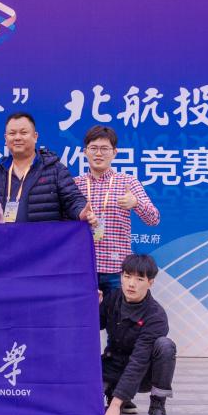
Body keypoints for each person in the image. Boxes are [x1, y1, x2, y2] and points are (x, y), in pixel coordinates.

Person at [76, 126, 160, 296]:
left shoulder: (127, 182)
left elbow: (154, 219)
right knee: (85, 314)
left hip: (117, 270)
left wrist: (136, 203)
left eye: (104, 149)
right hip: (83, 268)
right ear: (85, 152)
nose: (98, 154)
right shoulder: (75, 184)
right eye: (93, 148)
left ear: (114, 152)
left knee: (117, 314)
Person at [99, 254, 176, 415]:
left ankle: (157, 406)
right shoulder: (112, 299)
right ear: (121, 277)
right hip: (113, 365)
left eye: (139, 279)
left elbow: (139, 361)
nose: (131, 284)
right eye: (127, 276)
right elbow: (92, 326)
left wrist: (115, 405)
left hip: (144, 374)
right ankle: (114, 392)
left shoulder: (156, 316)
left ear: (150, 282)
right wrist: (90, 306)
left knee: (165, 346)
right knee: (82, 399)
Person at [0, 112, 95, 225]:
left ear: (35, 137)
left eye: (23, 133)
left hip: (46, 236)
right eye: (12, 133)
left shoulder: (55, 169)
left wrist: (81, 212)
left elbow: (72, 199)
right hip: (9, 236)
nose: (17, 137)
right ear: (5, 138)